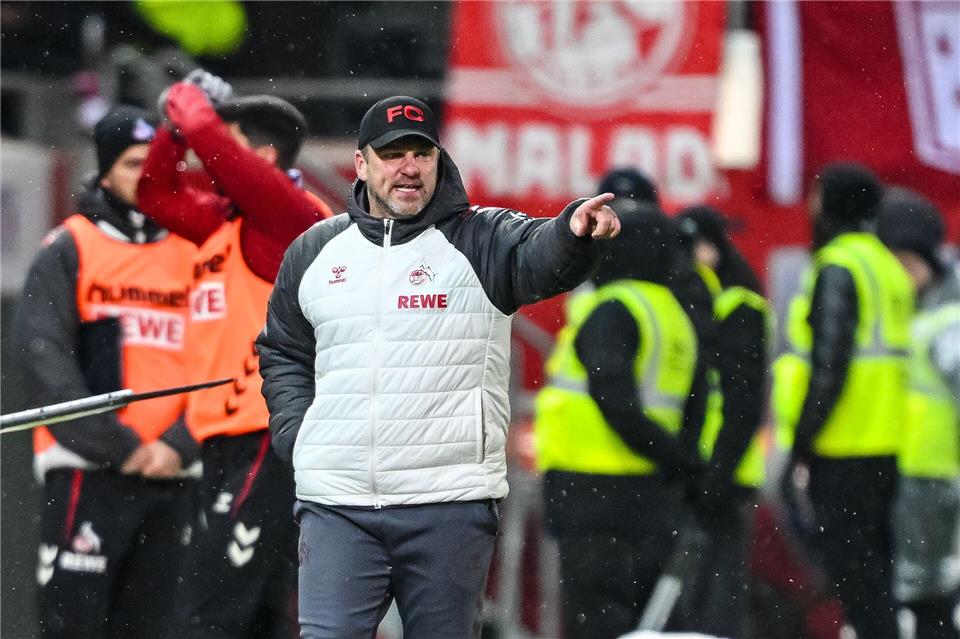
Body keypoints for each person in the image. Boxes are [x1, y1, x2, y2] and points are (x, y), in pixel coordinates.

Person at [255, 95, 620, 638]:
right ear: (361, 164)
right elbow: (282, 349)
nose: (409, 168)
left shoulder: (482, 237)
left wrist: (573, 233)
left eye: (421, 154)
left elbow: (541, 254)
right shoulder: (314, 250)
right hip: (337, 502)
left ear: (438, 160)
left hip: (447, 501)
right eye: (392, 154)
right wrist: (298, 434)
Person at [137, 71, 332, 638]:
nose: (211, 161)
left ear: (264, 156)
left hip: (272, 432)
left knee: (209, 606)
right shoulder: (226, 221)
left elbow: (211, 142)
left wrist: (190, 106)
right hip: (225, 434)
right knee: (259, 607)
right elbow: (153, 192)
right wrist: (174, 133)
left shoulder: (289, 215)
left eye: (232, 145)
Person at [14, 105, 199, 638]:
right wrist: (122, 446)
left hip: (176, 473)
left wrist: (180, 444)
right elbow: (43, 356)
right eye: (132, 163)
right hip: (88, 471)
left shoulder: (198, 250)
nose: (146, 176)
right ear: (104, 171)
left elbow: (231, 359)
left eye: (157, 162)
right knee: (72, 626)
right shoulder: (71, 245)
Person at [534, 204, 702, 639]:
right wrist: (680, 463)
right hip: (649, 495)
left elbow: (615, 401)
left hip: (593, 490)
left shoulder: (613, 309)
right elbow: (693, 404)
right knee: (649, 622)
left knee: (597, 618)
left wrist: (672, 457)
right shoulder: (673, 314)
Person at [780, 163, 914, 639]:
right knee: (876, 576)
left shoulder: (839, 265)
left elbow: (829, 366)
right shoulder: (886, 266)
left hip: (844, 446)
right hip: (887, 441)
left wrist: (802, 442)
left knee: (856, 579)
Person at [674, 206, 771, 637]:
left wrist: (719, 470)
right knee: (697, 590)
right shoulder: (698, 297)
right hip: (696, 466)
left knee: (714, 592)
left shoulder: (736, 305)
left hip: (721, 470)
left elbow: (744, 401)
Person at [879, 188, 960, 639]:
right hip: (899, 472)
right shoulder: (899, 314)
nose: (900, 275)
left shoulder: (946, 322)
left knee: (928, 595)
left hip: (933, 477)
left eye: (908, 263)